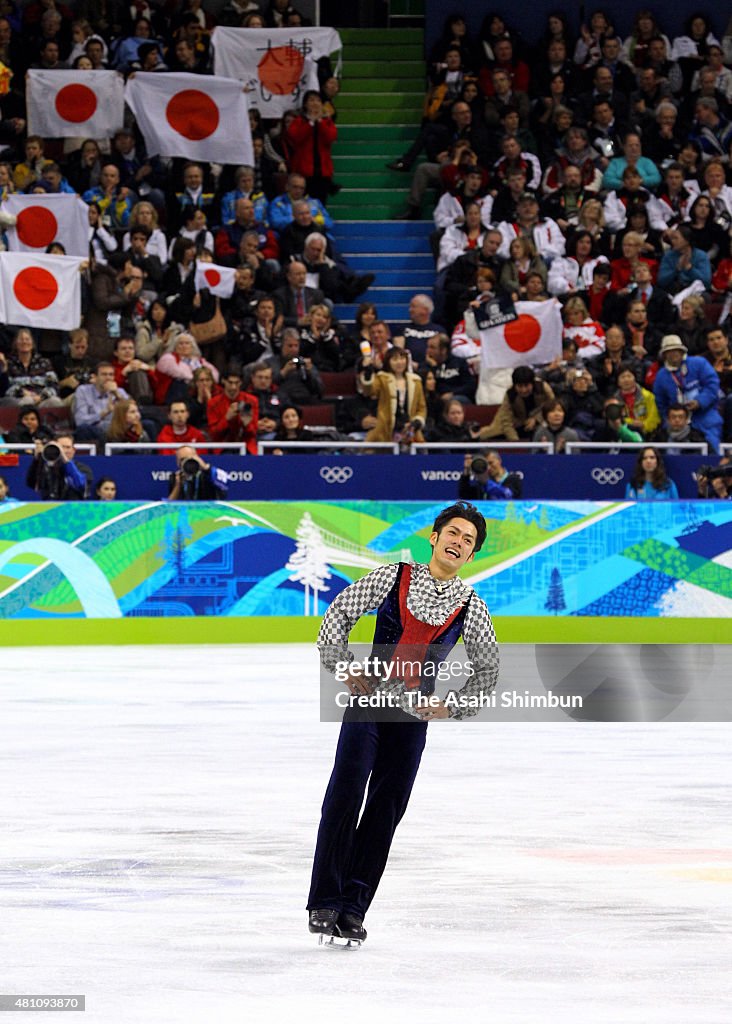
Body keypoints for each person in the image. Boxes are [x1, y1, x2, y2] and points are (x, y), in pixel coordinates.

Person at [308, 501, 498, 944]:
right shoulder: (393, 577)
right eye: (453, 533)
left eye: (468, 541)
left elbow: (487, 670)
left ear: (472, 556)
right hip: (369, 700)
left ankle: (353, 908)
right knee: (347, 789)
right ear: (433, 537)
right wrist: (341, 667)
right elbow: (339, 613)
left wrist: (452, 706)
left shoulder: (470, 605)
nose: (458, 542)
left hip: (413, 718)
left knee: (386, 808)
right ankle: (325, 901)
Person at [653, 335, 723, 452]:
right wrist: (672, 418)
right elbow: (661, 403)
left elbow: (713, 385)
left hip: (705, 418)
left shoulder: (699, 363)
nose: (673, 354)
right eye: (669, 351)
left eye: (676, 350)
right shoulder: (661, 376)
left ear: (682, 351)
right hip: (678, 423)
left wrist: (699, 402)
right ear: (664, 355)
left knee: (711, 450)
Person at [359, 346, 426, 448]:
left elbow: (421, 408)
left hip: (410, 434)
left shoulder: (416, 381)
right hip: (385, 433)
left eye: (402, 358)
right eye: (395, 359)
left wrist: (417, 422)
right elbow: (369, 391)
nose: (399, 362)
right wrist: (368, 372)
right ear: (388, 361)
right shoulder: (382, 378)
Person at [26, 433, 93, 500]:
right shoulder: (47, 468)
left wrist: (65, 459)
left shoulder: (83, 468)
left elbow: (80, 484)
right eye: (61, 447)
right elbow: (32, 483)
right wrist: (37, 459)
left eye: (67, 447)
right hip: (50, 507)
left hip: (73, 508)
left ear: (73, 450)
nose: (64, 450)